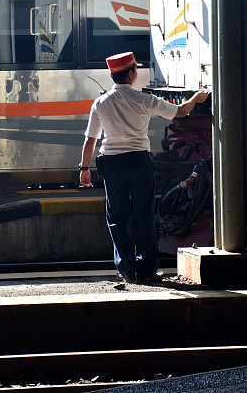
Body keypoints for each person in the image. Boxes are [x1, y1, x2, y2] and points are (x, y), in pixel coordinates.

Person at [79, 51, 209, 284]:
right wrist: (196, 100)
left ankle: (126, 267)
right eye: (135, 71)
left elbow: (91, 139)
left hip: (112, 164)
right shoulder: (143, 100)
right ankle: (147, 268)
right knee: (144, 215)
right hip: (138, 162)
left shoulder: (100, 103)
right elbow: (180, 112)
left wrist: (84, 168)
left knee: (116, 217)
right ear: (131, 73)